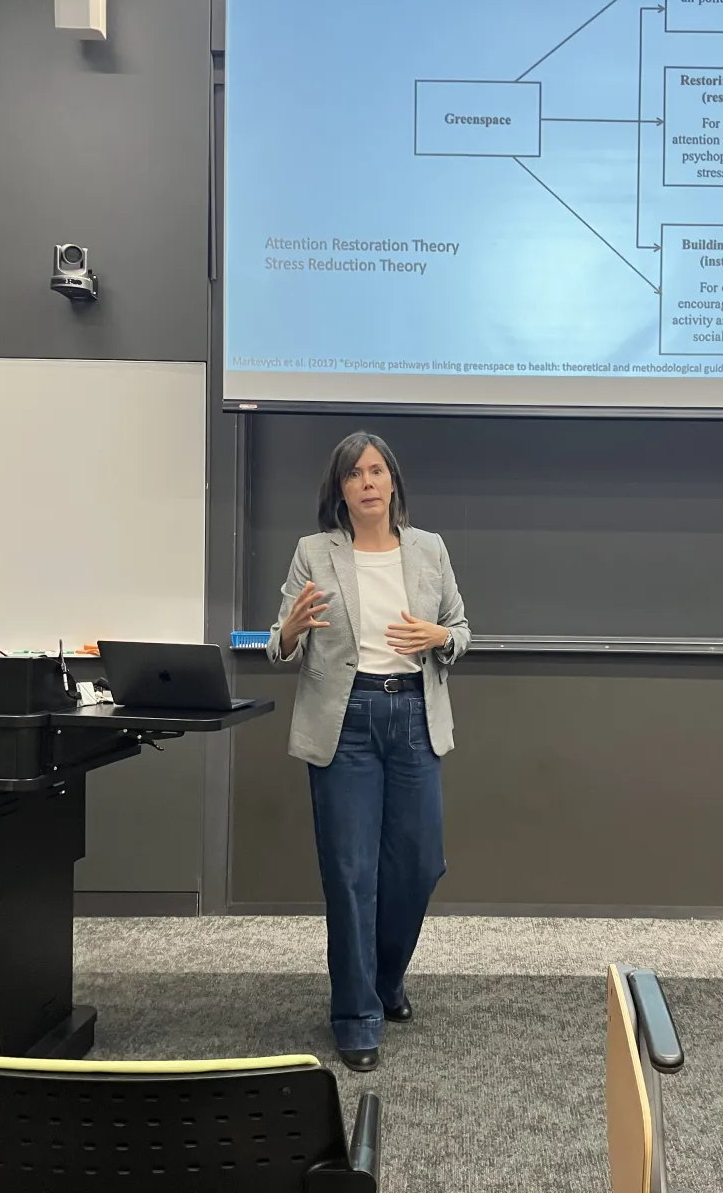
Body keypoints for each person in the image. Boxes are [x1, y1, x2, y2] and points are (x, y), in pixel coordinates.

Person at [267, 431, 470, 1071]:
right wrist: (291, 631)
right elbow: (279, 640)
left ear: (393, 482)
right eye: (354, 475)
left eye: (377, 471)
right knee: (351, 875)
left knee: (419, 865)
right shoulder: (313, 553)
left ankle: (384, 979)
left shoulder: (429, 549)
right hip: (346, 720)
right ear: (341, 490)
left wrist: (441, 635)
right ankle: (356, 1014)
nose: (368, 483)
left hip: (413, 712)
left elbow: (461, 631)